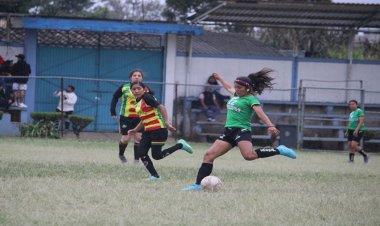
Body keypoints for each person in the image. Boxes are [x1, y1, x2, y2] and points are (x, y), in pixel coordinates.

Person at [182, 68, 297, 191]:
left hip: (241, 131)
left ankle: (279, 150)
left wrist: (270, 125)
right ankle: (198, 185)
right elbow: (228, 88)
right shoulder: (237, 95)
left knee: (249, 155)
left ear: (247, 88)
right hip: (228, 132)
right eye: (236, 87)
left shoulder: (251, 99)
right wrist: (220, 78)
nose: (236, 89)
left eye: (239, 88)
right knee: (208, 155)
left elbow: (260, 113)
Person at [128, 81, 193, 180]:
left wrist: (166, 122)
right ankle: (154, 176)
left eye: (138, 88)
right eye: (134, 89)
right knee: (141, 153)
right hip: (148, 131)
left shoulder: (147, 97)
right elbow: (143, 118)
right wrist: (135, 130)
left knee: (157, 156)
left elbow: (161, 107)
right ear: (131, 91)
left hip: (158, 130)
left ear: (144, 89)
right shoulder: (137, 102)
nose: (136, 91)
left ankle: (180, 145)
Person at [110, 69, 145, 164]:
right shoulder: (124, 87)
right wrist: (113, 112)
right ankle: (121, 154)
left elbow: (151, 100)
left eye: (139, 75)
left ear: (142, 78)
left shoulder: (145, 88)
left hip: (140, 117)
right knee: (126, 139)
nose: (137, 77)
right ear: (130, 77)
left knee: (138, 138)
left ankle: (136, 160)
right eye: (134, 75)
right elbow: (115, 97)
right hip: (125, 117)